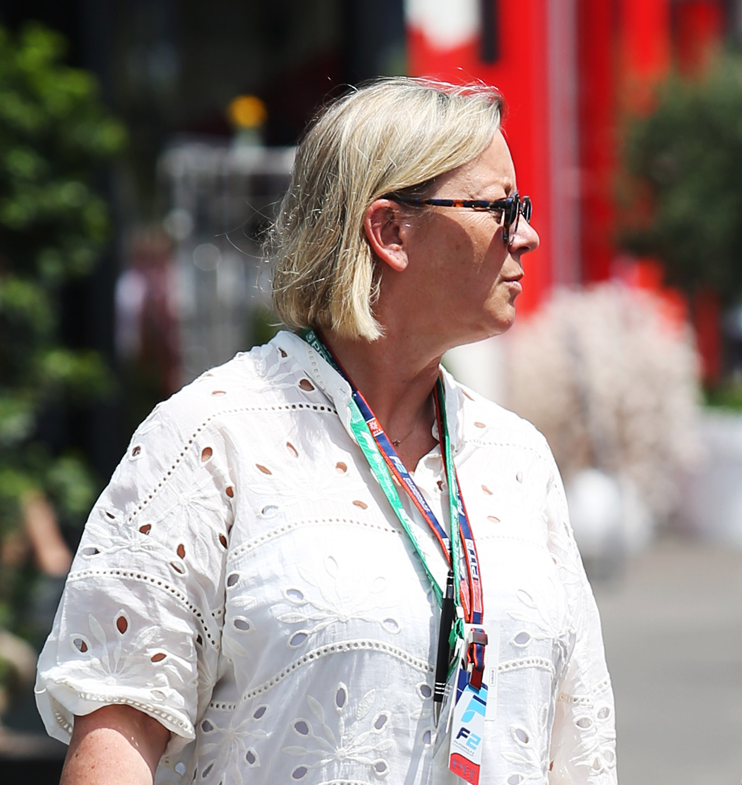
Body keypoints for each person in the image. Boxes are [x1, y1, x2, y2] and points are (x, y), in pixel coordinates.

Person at [35, 78, 616, 785]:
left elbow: (576, 750)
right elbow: (117, 735)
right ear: (391, 232)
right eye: (500, 208)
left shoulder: (516, 458)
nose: (526, 233)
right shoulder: (212, 436)